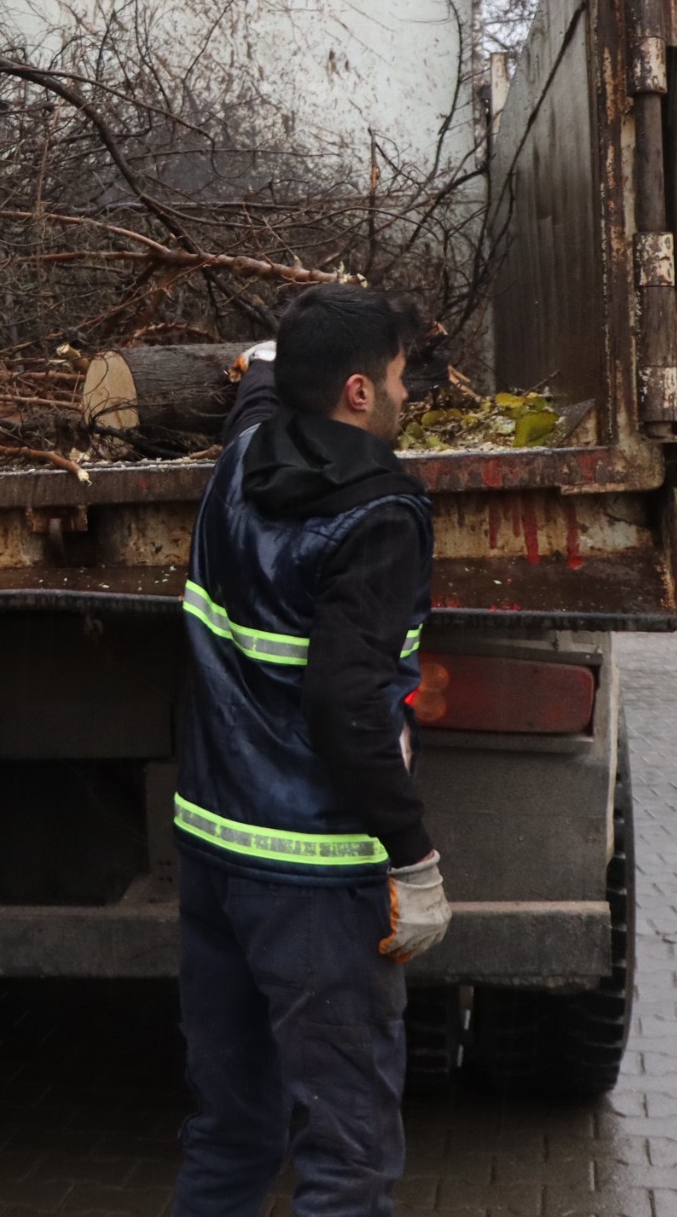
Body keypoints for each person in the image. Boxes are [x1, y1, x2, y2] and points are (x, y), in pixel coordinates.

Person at [171, 285, 454, 1217]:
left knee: (230, 1132)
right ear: (360, 394)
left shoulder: (241, 457)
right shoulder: (379, 516)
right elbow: (345, 706)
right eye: (402, 378)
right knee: (347, 1159)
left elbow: (259, 386)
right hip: (316, 882)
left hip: (213, 860)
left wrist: (270, 352)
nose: (410, 396)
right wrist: (413, 860)